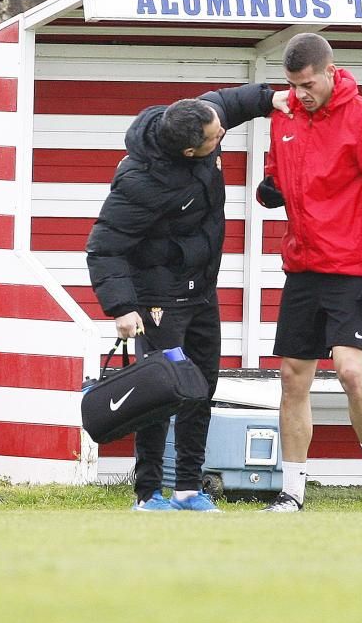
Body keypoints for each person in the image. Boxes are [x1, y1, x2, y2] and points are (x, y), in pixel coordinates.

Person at [87, 83, 289, 512]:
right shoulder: (140, 182)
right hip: (159, 298)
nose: (223, 139)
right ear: (189, 153)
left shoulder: (200, 118)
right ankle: (148, 494)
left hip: (202, 292)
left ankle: (188, 489)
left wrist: (271, 98)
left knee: (201, 389)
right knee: (162, 392)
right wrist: (122, 307)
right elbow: (105, 246)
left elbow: (230, 103)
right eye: (217, 140)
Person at [257, 33, 362, 513]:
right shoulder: (283, 117)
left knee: (349, 370)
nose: (299, 93)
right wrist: (273, 185)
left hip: (354, 268)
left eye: (306, 84)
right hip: (303, 266)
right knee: (291, 377)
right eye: (292, 84)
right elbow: (279, 170)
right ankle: (293, 491)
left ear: (330, 71)